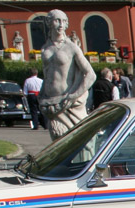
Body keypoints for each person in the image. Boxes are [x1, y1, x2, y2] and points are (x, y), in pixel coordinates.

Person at [39, 8, 96, 140]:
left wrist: (73, 96)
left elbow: (91, 74)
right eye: (57, 21)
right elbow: (47, 74)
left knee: (77, 142)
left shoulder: (72, 47)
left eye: (64, 21)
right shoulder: (45, 48)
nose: (61, 25)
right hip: (50, 103)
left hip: (68, 103)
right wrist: (42, 93)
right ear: (49, 22)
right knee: (57, 142)